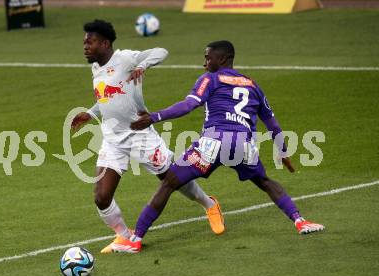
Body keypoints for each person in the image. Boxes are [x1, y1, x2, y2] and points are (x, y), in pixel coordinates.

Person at [115, 40, 324, 253]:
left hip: (212, 144)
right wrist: (283, 150)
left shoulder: (211, 79)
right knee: (265, 181)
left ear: (222, 59)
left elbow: (189, 105)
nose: (204, 63)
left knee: (168, 183)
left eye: (208, 57)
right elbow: (272, 123)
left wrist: (154, 117)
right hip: (244, 147)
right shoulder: (253, 85)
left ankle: (136, 239)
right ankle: (300, 221)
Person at [71, 20, 225, 253]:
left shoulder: (124, 59)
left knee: (172, 178)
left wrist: (143, 65)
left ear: (104, 43)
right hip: (113, 139)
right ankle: (124, 236)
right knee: (101, 196)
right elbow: (108, 97)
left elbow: (161, 52)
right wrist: (91, 113)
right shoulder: (96, 68)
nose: (85, 46)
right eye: (84, 42)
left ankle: (210, 204)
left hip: (140, 135)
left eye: (89, 42)